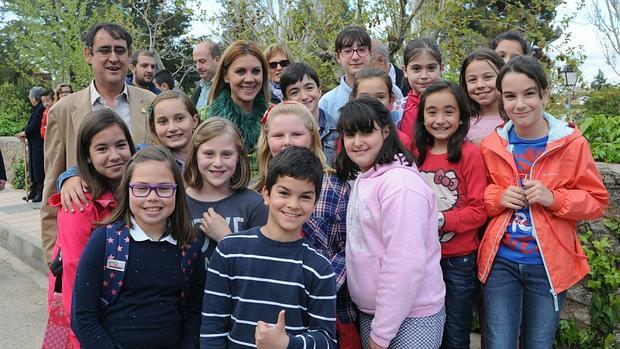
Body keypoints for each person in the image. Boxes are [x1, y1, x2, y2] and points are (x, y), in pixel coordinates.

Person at [478, 56, 609, 348]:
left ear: (544, 93)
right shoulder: (491, 144)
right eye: (510, 96)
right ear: (501, 98)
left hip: (548, 265)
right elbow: (480, 196)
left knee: (538, 343)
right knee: (498, 342)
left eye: (529, 94)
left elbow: (597, 201)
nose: (520, 104)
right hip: (502, 262)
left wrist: (555, 198)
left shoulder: (571, 143)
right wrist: (498, 197)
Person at [40, 23, 156, 264]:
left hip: (145, 232)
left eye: (120, 50)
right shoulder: (62, 111)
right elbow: (51, 183)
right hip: (86, 239)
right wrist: (53, 256)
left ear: (128, 57)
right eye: (104, 50)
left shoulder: (153, 104)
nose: (113, 58)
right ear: (88, 55)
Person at [201, 146, 337, 348]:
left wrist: (287, 344)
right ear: (266, 194)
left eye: (305, 197)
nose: (293, 204)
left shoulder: (320, 269)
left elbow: (326, 340)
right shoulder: (229, 250)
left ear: (315, 203)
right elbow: (212, 327)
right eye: (284, 192)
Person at [336, 97, 445, 348]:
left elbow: (403, 264)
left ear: (386, 131)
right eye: (350, 134)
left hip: (412, 316)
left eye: (366, 132)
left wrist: (381, 335)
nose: (357, 142)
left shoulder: (401, 185)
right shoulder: (366, 177)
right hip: (377, 312)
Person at [71, 146, 204, 348]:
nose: (152, 197)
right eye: (141, 188)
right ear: (127, 190)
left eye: (164, 188)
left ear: (177, 192)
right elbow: (82, 317)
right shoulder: (104, 242)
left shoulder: (189, 246)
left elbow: (195, 312)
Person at [255, 102, 359, 348]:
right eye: (279, 135)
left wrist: (319, 284)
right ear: (267, 140)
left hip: (325, 309)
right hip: (267, 307)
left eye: (296, 134)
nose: (287, 141)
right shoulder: (257, 189)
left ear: (312, 138)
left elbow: (352, 248)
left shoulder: (335, 186)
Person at [48, 109, 135, 348]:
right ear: (86, 156)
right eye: (102, 149)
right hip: (89, 321)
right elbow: (75, 281)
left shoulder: (136, 191)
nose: (115, 155)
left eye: (121, 145)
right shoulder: (78, 205)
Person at [413, 81, 487, 348]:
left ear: (461, 116)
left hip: (459, 260)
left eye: (449, 112)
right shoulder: (415, 153)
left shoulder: (469, 155)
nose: (440, 120)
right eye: (432, 112)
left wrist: (443, 220)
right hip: (421, 258)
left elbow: (480, 210)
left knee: (456, 332)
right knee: (425, 328)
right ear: (422, 116)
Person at [183, 117, 267, 263]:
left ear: (238, 157)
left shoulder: (256, 205)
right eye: (209, 154)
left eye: (226, 154)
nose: (217, 163)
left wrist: (225, 238)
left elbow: (261, 266)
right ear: (195, 155)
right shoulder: (178, 202)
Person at [206, 40, 270, 152]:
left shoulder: (274, 117)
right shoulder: (205, 118)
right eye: (241, 72)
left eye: (256, 71)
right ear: (226, 75)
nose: (249, 79)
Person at [280, 62, 339, 166]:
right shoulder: (282, 136)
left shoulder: (336, 131)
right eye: (294, 92)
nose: (304, 96)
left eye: (309, 88)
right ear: (285, 100)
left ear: (319, 90)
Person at [319, 26, 372, 123]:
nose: (355, 57)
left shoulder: (388, 91)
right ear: (338, 57)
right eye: (348, 51)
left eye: (361, 50)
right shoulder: (327, 102)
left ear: (370, 53)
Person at [394, 38, 443, 142]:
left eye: (431, 68)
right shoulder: (397, 110)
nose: (424, 76)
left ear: (441, 69)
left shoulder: (453, 105)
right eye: (416, 69)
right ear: (405, 71)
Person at [350, 67, 412, 148]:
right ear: (354, 99)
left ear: (391, 100)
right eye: (365, 97)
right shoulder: (347, 138)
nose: (373, 102)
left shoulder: (402, 141)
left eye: (380, 97)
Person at [460, 48, 505, 144]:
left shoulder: (515, 118)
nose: (480, 85)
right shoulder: (461, 121)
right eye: (472, 80)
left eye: (488, 77)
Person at [149, 91, 200, 166]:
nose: (172, 128)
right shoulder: (149, 162)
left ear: (194, 121)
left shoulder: (212, 156)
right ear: (154, 127)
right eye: (163, 121)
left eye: (179, 119)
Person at [16, 86, 46, 202]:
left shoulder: (41, 108)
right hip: (34, 142)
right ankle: (34, 190)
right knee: (33, 166)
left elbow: (34, 125)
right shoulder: (37, 108)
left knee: (38, 166)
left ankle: (40, 191)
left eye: (30, 96)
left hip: (39, 142)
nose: (29, 98)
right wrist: (24, 130)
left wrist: (26, 132)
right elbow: (30, 123)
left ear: (34, 97)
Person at [192, 40, 221, 111]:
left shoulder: (229, 88)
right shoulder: (198, 90)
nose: (198, 67)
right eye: (195, 62)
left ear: (217, 60)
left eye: (202, 61)